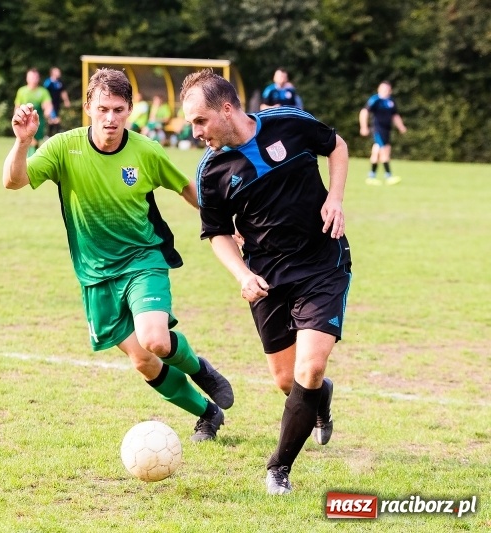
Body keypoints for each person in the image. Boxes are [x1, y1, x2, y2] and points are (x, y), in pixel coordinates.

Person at [3, 68, 235, 443]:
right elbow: (13, 181)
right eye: (103, 109)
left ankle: (201, 370)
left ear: (130, 110)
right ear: (88, 108)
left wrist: (226, 226)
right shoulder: (65, 147)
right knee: (144, 361)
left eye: (118, 109)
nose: (110, 119)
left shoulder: (145, 150)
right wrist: (22, 143)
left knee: (155, 340)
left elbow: (186, 188)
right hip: (95, 275)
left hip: (144, 259)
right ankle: (207, 413)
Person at [180, 69, 351, 494]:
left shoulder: (288, 122)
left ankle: (279, 469)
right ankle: (319, 398)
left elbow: (337, 146)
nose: (196, 132)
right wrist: (243, 274)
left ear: (226, 108)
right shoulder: (211, 171)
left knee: (310, 367)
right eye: (191, 125)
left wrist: (334, 197)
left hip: (321, 263)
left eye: (200, 121)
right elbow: (216, 233)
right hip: (266, 277)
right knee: (286, 380)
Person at [359, 81, 407, 185]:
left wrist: (401, 127)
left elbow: (395, 115)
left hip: (387, 130)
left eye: (387, 89)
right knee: (384, 151)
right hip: (378, 129)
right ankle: (388, 176)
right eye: (383, 89)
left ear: (390, 90)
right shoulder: (375, 100)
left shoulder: (391, 101)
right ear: (379, 89)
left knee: (377, 152)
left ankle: (371, 176)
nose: (385, 91)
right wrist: (364, 127)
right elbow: (364, 112)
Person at [13, 68, 54, 157]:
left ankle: (31, 160)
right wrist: (15, 118)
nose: (33, 79)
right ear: (27, 78)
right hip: (24, 121)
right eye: (31, 77)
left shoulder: (43, 92)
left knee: (35, 143)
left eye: (35, 77)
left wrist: (48, 112)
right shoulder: (22, 91)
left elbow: (48, 105)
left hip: (38, 121)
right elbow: (17, 107)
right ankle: (27, 161)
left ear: (38, 78)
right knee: (28, 141)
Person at [43, 66, 71, 137]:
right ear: (52, 73)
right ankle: (54, 134)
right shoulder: (48, 82)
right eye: (57, 71)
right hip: (50, 104)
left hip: (57, 104)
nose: (59, 73)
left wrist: (66, 101)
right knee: (55, 119)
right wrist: (45, 104)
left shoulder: (60, 82)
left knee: (53, 120)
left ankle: (51, 135)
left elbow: (63, 92)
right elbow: (44, 93)